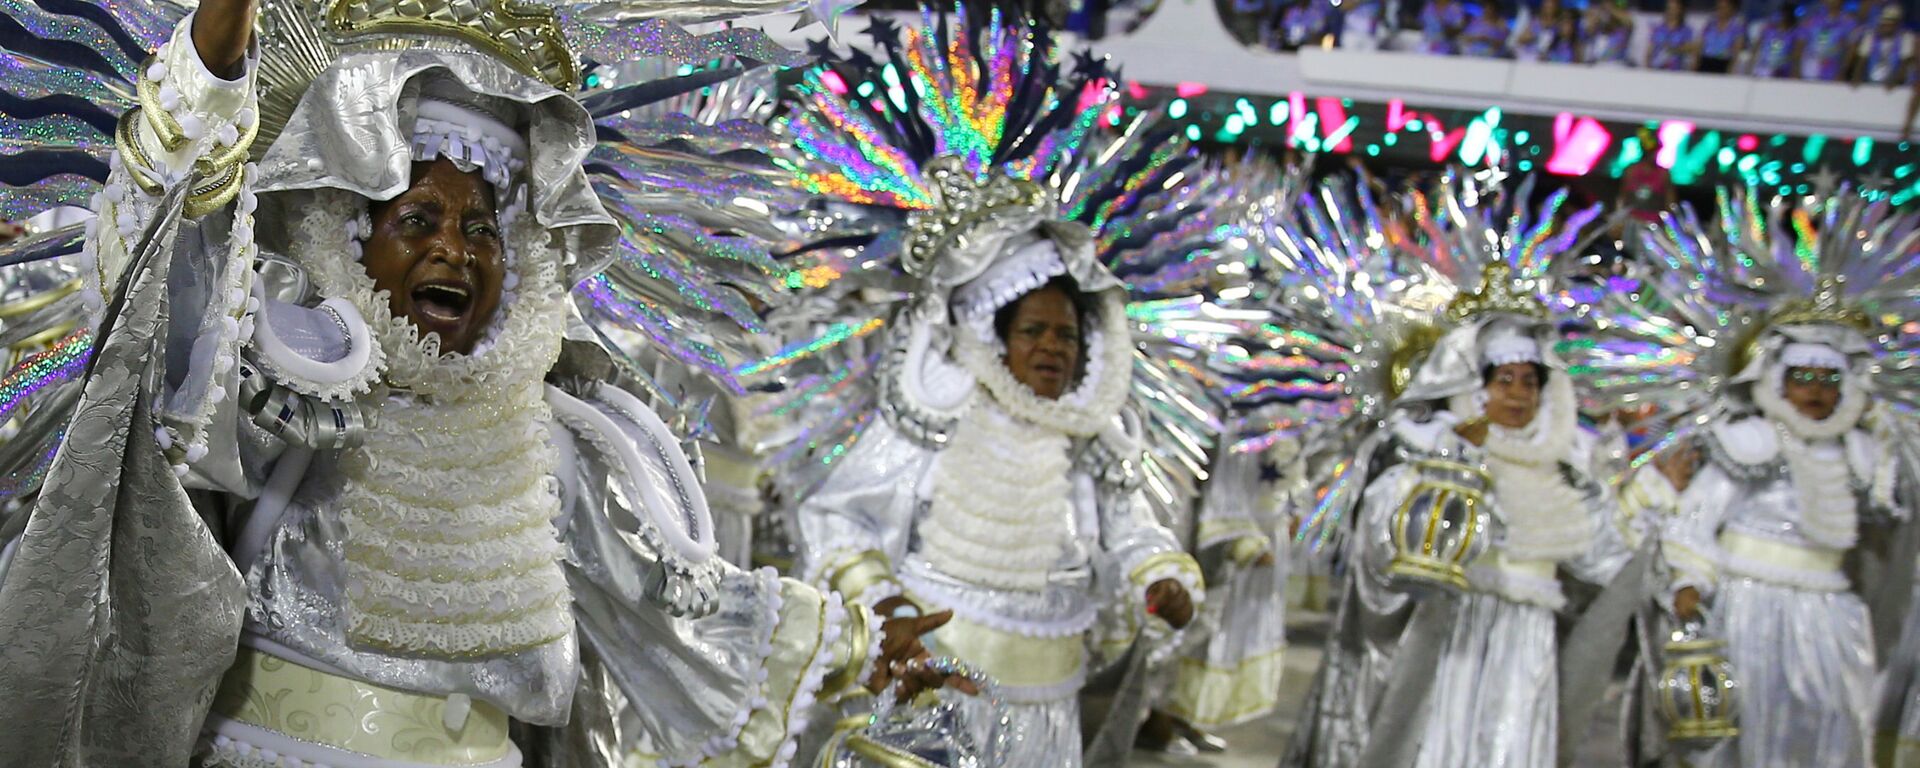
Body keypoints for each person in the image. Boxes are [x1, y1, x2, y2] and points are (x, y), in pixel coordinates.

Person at [0, 0, 958, 765]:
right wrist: (210, 73)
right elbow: (167, 308)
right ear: (345, 235)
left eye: (485, 228)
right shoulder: (286, 389)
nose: (457, 247)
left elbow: (671, 608)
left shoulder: (558, 443)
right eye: (418, 217)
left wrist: (854, 646)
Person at [1636, 334, 1900, 768]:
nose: (1815, 390)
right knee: (1752, 725)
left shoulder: (1861, 454)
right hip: (1750, 605)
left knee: (1835, 719)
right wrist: (1690, 582)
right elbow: (1694, 520)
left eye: (1828, 379)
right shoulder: (1749, 444)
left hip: (1829, 612)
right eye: (1803, 378)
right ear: (1777, 383)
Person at [1852, 5, 1916, 86]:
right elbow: (1861, 61)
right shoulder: (1871, 36)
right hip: (1872, 81)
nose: (1886, 27)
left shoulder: (1906, 37)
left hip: (1898, 84)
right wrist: (1856, 77)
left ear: (1897, 25)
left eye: (1890, 24)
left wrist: (1895, 81)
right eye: (1884, 24)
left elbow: (1905, 64)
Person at [1801, 0, 1864, 80]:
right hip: (1809, 73)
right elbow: (1800, 44)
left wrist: (1843, 71)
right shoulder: (1812, 20)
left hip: (1833, 74)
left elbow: (1852, 49)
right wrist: (1797, 70)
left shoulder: (1849, 22)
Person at [1748, 4, 1802, 78]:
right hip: (1763, 71)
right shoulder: (1768, 30)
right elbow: (1755, 49)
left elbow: (1796, 56)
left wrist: (1795, 73)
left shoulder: (1794, 33)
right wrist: (1750, 68)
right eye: (1783, 15)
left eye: (1787, 16)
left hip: (1783, 72)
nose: (1784, 18)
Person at [1698, 0, 1748, 73]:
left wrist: (1731, 67)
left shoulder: (1737, 26)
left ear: (1732, 9)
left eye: (1724, 7)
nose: (1721, 10)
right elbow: (1701, 44)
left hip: (1724, 62)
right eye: (1719, 7)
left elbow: (1737, 49)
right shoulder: (1710, 24)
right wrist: (1696, 63)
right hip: (1706, 60)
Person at [1645, 0, 1697, 70]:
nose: (1671, 11)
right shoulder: (1658, 29)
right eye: (1669, 8)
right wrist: (1647, 68)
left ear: (1680, 10)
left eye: (1674, 8)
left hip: (1676, 73)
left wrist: (1674, 49)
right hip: (1656, 71)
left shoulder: (1687, 31)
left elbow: (1692, 50)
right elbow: (1649, 52)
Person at [1584, 0, 1635, 66]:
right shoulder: (1600, 29)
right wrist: (1599, 13)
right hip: (1599, 65)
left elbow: (1628, 21)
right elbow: (1589, 29)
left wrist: (1611, 9)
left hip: (1619, 64)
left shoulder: (1624, 29)